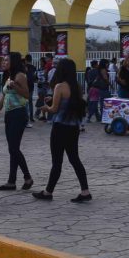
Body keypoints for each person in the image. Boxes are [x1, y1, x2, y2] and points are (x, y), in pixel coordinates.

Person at [32, 57, 91, 202]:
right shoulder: (77, 86)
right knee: (75, 159)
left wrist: (46, 107)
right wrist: (52, 101)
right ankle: (85, 191)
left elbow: (54, 109)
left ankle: (48, 192)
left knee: (57, 162)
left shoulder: (59, 86)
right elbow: (69, 105)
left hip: (60, 127)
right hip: (73, 127)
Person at [0, 52, 34, 191]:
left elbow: (26, 94)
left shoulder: (20, 75)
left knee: (13, 148)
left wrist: (15, 86)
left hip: (19, 114)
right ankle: (11, 182)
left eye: (6, 60)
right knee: (12, 149)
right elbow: (4, 98)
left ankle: (27, 177)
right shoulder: (9, 76)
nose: (4, 62)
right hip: (10, 114)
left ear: (13, 61)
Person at [24, 54, 37, 125]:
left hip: (24, 86)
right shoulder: (34, 67)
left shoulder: (24, 67)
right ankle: (31, 117)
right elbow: (35, 77)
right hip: (31, 86)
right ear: (31, 60)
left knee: (24, 102)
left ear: (25, 60)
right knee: (30, 102)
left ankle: (26, 117)